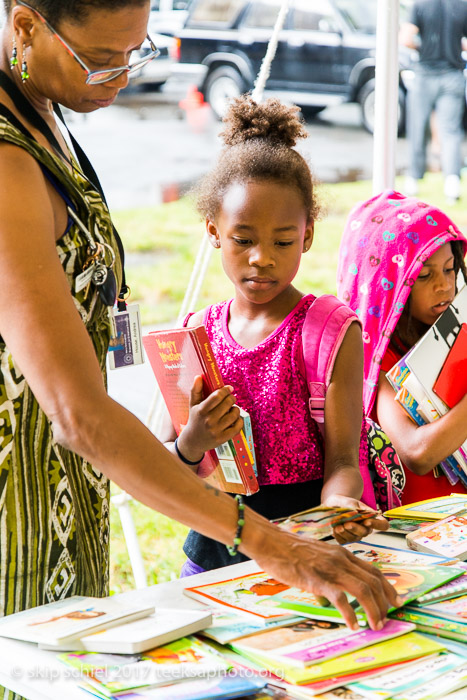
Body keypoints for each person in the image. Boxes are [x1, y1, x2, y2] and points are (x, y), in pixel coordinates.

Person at [0, 0, 398, 658]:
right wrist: (270, 543)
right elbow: (75, 411)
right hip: (20, 506)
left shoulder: (42, 111)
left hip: (68, 492)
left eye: (137, 50)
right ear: (26, 26)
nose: (124, 75)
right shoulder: (7, 157)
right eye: (101, 59)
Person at [160, 95, 389, 578]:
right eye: (243, 239)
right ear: (213, 231)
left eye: (282, 241)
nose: (261, 258)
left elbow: (344, 460)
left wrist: (339, 511)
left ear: (307, 236)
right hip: (213, 557)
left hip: (304, 552)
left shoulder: (330, 330)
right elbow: (163, 467)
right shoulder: (195, 336)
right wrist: (192, 442)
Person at [337, 189, 467, 505]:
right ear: (389, 286)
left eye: (450, 269)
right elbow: (417, 452)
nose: (444, 285)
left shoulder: (457, 332)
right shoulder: (379, 364)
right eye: (424, 276)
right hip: (417, 535)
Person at [399, 0, 467, 204]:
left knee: (418, 128)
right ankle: (452, 183)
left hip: (425, 74)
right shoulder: (462, 6)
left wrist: (423, 45)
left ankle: (413, 180)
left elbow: (405, 38)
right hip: (453, 75)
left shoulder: (420, 5)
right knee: (451, 132)